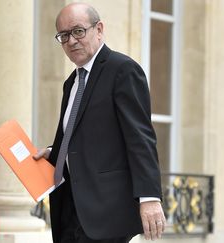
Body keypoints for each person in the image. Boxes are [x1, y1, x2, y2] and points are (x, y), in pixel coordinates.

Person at [33, 3, 166, 243]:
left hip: (106, 212)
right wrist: (55, 152)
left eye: (78, 31)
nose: (71, 41)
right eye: (63, 36)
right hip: (69, 208)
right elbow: (83, 136)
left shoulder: (123, 70)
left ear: (99, 29)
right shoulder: (71, 83)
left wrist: (149, 197)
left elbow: (140, 138)